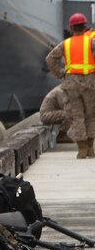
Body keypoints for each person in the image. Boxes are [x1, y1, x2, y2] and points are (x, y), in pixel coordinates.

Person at [45, 12, 95, 158]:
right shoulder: (91, 42)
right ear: (85, 27)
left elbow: (50, 59)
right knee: (91, 115)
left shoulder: (65, 44)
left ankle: (81, 150)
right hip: (91, 84)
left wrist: (60, 73)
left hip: (71, 85)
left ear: (71, 28)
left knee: (77, 116)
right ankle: (91, 150)